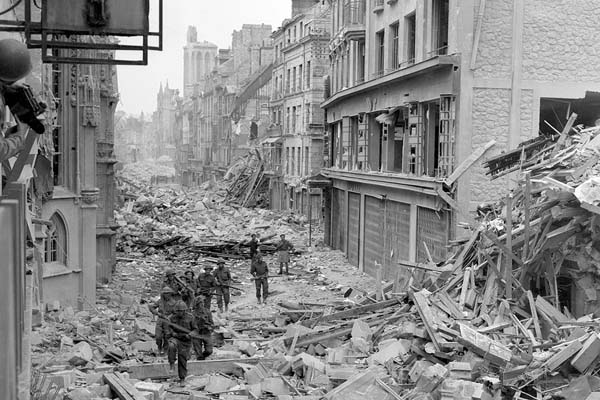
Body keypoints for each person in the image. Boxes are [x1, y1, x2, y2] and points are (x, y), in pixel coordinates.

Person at [165, 300, 197, 384]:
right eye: (178, 311)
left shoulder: (191, 317)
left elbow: (195, 330)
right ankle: (172, 363)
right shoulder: (171, 318)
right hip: (176, 338)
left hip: (186, 341)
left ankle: (182, 378)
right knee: (171, 346)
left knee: (182, 358)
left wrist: (190, 334)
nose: (179, 313)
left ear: (184, 310)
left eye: (181, 311)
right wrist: (172, 333)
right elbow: (168, 328)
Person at [148, 286, 177, 354]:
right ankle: (159, 348)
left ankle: (165, 350)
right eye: (165, 293)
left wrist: (170, 316)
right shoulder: (160, 301)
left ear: (170, 294)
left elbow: (176, 312)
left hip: (168, 321)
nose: (166, 295)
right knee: (158, 336)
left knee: (167, 336)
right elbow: (152, 307)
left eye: (168, 293)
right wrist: (158, 313)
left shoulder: (173, 302)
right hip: (160, 320)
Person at [191, 294, 214, 360]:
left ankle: (203, 356)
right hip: (197, 333)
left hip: (206, 333)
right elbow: (192, 325)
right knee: (198, 353)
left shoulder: (207, 312)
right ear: (197, 304)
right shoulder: (193, 314)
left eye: (203, 302)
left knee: (209, 351)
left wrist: (209, 327)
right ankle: (200, 359)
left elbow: (212, 324)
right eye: (200, 303)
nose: (202, 304)